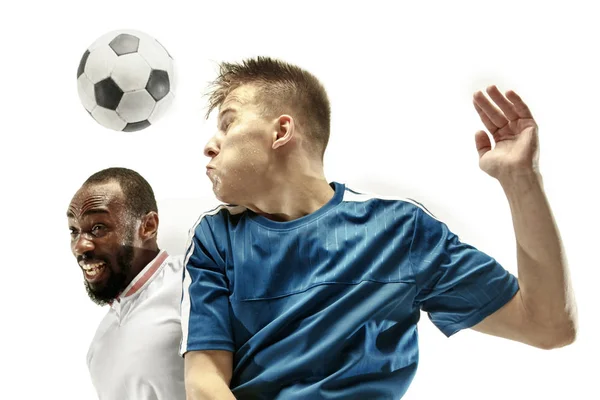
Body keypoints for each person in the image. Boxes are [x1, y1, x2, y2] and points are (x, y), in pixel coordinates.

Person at [179, 57, 578, 399]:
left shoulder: (398, 231)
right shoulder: (216, 238)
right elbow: (204, 379)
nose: (209, 146)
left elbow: (548, 326)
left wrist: (521, 180)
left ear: (281, 132)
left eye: (227, 124)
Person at [67, 167, 185, 399]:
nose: (79, 246)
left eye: (98, 228)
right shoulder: (99, 345)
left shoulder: (195, 279)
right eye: (74, 231)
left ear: (148, 226)